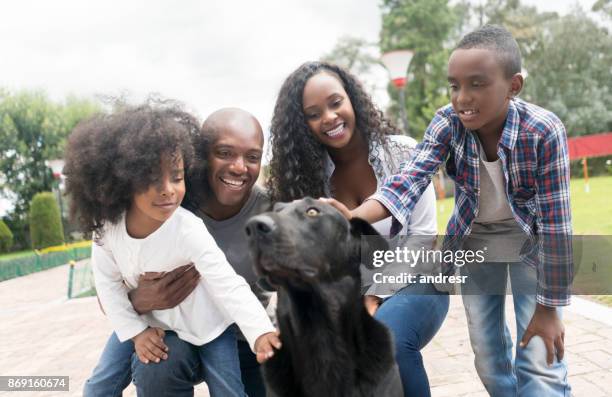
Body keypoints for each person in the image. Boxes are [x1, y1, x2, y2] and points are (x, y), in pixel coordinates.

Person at [327, 25, 572, 396]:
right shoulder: (448, 122)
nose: (462, 98)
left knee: (538, 355)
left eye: (477, 84)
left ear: (513, 86)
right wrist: (355, 216)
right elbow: (409, 180)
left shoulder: (543, 131)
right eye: (454, 85)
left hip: (532, 246)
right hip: (475, 244)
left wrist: (550, 308)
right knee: (489, 357)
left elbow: (556, 225)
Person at [64, 103, 280, 397]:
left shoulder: (192, 224)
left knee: (233, 388)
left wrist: (262, 332)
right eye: (225, 153)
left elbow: (229, 284)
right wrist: (138, 322)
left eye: (252, 156)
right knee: (123, 376)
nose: (167, 189)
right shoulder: (116, 227)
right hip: (159, 326)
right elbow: (107, 291)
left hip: (223, 331)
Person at [267, 61, 449, 397]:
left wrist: (373, 296)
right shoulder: (309, 179)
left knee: (387, 337)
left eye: (335, 103)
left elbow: (423, 236)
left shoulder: (403, 153)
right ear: (303, 124)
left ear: (352, 99)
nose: (329, 118)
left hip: (418, 282)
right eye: (314, 113)